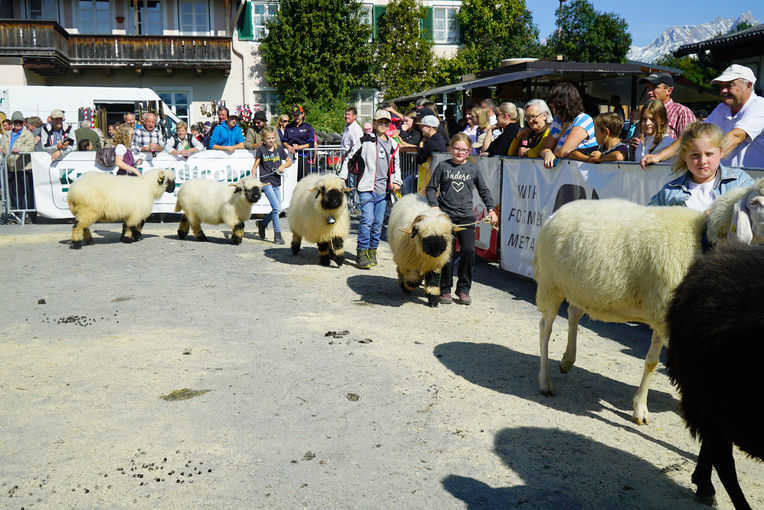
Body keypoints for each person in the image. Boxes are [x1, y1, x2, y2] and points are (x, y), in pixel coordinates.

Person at [642, 65, 764, 170]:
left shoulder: (759, 106)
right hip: (729, 182)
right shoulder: (722, 108)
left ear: (748, 86)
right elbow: (691, 135)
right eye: (721, 86)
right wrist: (659, 156)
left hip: (753, 184)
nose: (723, 90)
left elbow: (737, 136)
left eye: (729, 85)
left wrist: (704, 159)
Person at [426, 133, 499, 305]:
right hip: (446, 218)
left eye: (464, 150)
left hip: (466, 217)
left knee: (468, 252)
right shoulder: (443, 167)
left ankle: (464, 288)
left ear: (469, 151)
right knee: (447, 255)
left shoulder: (473, 169)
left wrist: (491, 209)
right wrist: (434, 206)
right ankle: (445, 289)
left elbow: (483, 190)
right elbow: (430, 188)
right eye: (456, 149)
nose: (460, 152)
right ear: (450, 148)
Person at [648, 122, 753, 211]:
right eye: (695, 155)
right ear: (684, 156)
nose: (703, 161)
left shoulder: (740, 182)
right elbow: (649, 217)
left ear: (721, 152)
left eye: (709, 154)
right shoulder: (669, 192)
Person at [349, 110, 401, 270]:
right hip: (366, 187)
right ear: (374, 122)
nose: (383, 125)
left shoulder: (393, 144)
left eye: (386, 122)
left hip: (383, 190)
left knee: (378, 223)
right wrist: (344, 177)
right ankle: (361, 252)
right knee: (366, 220)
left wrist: (396, 181)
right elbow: (350, 157)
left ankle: (372, 251)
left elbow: (396, 166)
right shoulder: (365, 140)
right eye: (380, 122)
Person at [540, 82, 598, 168]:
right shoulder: (557, 120)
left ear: (563, 103)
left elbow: (564, 151)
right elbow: (545, 147)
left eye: (553, 102)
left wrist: (552, 153)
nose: (550, 104)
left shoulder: (583, 120)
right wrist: (547, 153)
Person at [253, 126, 292, 245]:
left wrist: (282, 166)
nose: (271, 140)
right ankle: (277, 234)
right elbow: (255, 166)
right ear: (263, 139)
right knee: (276, 207)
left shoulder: (279, 149)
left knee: (277, 208)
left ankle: (263, 223)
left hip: (276, 180)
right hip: (266, 181)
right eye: (268, 138)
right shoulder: (261, 150)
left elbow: (289, 161)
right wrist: (254, 176)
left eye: (273, 138)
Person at [639, 72, 695, 140]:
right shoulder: (646, 112)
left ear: (669, 90)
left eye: (654, 87)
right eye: (648, 88)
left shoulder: (681, 112)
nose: (649, 92)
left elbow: (689, 143)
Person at [0, 110, 36, 210]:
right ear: (12, 123)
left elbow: (30, 148)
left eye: (20, 122)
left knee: (28, 193)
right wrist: (2, 150)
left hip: (24, 168)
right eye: (16, 122)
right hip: (11, 168)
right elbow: (2, 147)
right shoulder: (6, 135)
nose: (18, 124)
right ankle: (18, 214)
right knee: (15, 194)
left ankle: (30, 214)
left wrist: (20, 150)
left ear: (23, 122)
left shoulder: (28, 134)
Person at [340, 106, 364, 212]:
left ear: (354, 116)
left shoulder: (356, 129)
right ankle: (351, 205)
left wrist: (350, 159)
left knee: (352, 184)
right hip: (346, 158)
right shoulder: (347, 127)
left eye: (348, 114)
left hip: (353, 161)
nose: (346, 116)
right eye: (345, 114)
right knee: (347, 183)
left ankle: (356, 206)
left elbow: (356, 146)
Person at [284, 104, 315, 180]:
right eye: (294, 115)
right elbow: (284, 141)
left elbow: (311, 143)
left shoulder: (308, 127)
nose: (296, 117)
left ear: (302, 114)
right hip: (290, 157)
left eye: (298, 115)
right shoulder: (288, 127)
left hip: (303, 157)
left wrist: (300, 147)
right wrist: (288, 146)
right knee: (290, 180)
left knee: (303, 181)